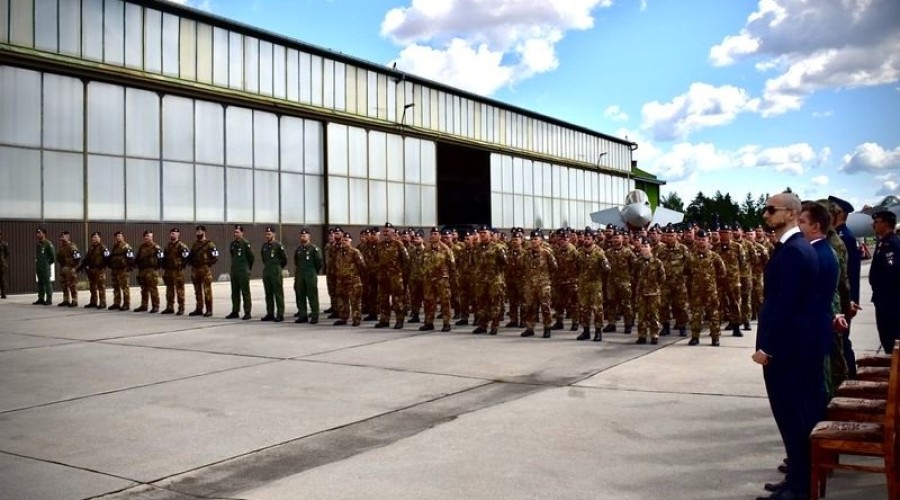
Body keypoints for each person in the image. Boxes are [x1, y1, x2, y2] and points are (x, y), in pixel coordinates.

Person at [753, 192, 821, 500]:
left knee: (793, 418)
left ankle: (799, 488)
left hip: (788, 353)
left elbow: (786, 307)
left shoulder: (794, 251)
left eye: (771, 210)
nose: (765, 215)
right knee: (790, 419)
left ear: (792, 214)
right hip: (791, 350)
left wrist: (767, 347)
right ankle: (795, 478)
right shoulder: (791, 248)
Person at [798, 201, 842, 396]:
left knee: (818, 387)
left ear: (816, 227)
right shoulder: (823, 250)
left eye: (801, 221)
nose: (797, 226)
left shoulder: (815, 255)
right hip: (818, 327)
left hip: (812, 331)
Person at [829, 195, 862, 377]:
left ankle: (850, 377)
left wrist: (851, 300)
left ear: (838, 213)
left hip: (844, 299)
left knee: (843, 342)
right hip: (844, 297)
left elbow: (851, 272)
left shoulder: (844, 237)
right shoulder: (840, 235)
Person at [685, 230, 726, 346]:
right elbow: (686, 273)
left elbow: (722, 272)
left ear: (708, 241)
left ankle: (715, 337)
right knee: (696, 314)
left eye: (703, 240)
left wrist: (713, 283)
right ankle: (695, 337)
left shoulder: (714, 256)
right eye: (698, 239)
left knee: (713, 314)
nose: (701, 242)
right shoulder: (691, 257)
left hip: (710, 291)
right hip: (696, 291)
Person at [869, 210, 900, 353]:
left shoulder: (892, 245)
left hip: (891, 303)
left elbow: (892, 275)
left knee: (892, 339)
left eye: (876, 222)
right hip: (883, 300)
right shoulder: (883, 243)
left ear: (886, 223)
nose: (873, 225)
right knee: (887, 338)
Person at [521, 230, 557, 338]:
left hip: (543, 285)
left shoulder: (547, 253)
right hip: (530, 284)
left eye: (536, 239)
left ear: (541, 240)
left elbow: (554, 267)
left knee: (545, 307)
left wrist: (545, 278)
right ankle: (530, 328)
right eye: (532, 239)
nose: (533, 241)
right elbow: (523, 266)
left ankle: (547, 328)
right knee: (530, 307)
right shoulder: (526, 254)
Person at [576, 230, 609, 342]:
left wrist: (604, 265)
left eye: (589, 238)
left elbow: (607, 268)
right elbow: (576, 267)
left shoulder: (599, 252)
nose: (586, 240)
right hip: (583, 284)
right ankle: (586, 331)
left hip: (595, 284)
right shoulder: (579, 252)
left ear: (593, 240)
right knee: (584, 308)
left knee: (597, 309)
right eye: (585, 238)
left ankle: (598, 331)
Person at [420, 228, 456, 332]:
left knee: (445, 302)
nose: (432, 236)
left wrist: (451, 280)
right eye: (431, 234)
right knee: (429, 302)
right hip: (429, 280)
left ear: (440, 236)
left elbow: (452, 266)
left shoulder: (446, 249)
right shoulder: (426, 249)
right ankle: (429, 322)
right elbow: (422, 263)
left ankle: (446, 323)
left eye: (435, 234)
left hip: (442, 280)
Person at [375, 223, 409, 329]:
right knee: (383, 299)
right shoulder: (379, 245)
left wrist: (400, 274)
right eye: (384, 231)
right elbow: (376, 259)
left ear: (393, 233)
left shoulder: (399, 245)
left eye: (387, 231)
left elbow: (406, 261)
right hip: (383, 277)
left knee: (397, 300)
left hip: (395, 277)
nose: (385, 233)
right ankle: (384, 320)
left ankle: (399, 320)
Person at [634, 238, 666, 345]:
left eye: (646, 247)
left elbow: (662, 278)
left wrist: (655, 287)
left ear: (650, 248)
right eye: (642, 247)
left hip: (653, 293)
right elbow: (633, 276)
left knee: (654, 314)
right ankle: (642, 335)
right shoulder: (637, 262)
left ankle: (654, 335)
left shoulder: (657, 262)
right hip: (641, 293)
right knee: (642, 315)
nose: (644, 249)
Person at [333, 232, 365, 326]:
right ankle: (343, 318)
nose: (344, 242)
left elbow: (362, 266)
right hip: (341, 281)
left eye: (346, 240)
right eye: (343, 240)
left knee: (355, 301)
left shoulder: (355, 252)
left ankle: (356, 319)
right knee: (342, 301)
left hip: (353, 281)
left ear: (350, 241)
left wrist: (358, 278)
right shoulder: (339, 253)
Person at [188, 225, 218, 317]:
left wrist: (208, 263)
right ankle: (199, 308)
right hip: (195, 269)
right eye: (197, 232)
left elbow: (215, 256)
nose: (198, 233)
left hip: (205, 269)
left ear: (204, 232)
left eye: (200, 232)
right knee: (197, 290)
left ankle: (209, 310)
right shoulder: (195, 244)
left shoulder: (210, 244)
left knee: (207, 290)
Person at [293, 229, 323, 324]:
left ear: (309, 237)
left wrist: (314, 272)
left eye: (305, 235)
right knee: (300, 295)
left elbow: (319, 262)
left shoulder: (314, 249)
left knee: (312, 296)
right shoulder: (298, 250)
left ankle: (314, 315)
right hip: (300, 275)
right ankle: (303, 315)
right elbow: (296, 262)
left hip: (310, 275)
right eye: (302, 235)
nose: (303, 237)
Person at [260, 226, 288, 322]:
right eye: (266, 234)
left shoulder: (278, 246)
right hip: (267, 271)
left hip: (276, 272)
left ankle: (280, 314)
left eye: (269, 234)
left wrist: (278, 268)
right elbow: (263, 259)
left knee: (278, 293)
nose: (267, 236)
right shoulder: (264, 246)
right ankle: (270, 313)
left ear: (274, 234)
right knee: (268, 294)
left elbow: (284, 259)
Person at [227, 225, 254, 320]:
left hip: (243, 271)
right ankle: (235, 311)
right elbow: (232, 255)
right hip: (235, 271)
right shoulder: (233, 244)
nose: (236, 234)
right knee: (234, 292)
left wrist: (247, 268)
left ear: (242, 233)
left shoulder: (246, 243)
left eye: (237, 232)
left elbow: (251, 257)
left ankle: (247, 312)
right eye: (235, 232)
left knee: (245, 292)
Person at [76, 232, 109, 309]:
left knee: (101, 287)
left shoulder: (103, 248)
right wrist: (81, 266)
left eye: (96, 237)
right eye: (93, 237)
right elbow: (86, 259)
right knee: (92, 287)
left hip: (99, 270)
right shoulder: (91, 248)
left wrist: (102, 266)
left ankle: (102, 303)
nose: (94, 239)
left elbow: (107, 258)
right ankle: (93, 302)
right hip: (91, 270)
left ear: (100, 238)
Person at [161, 228, 190, 315]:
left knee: (180, 290)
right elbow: (164, 257)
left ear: (178, 235)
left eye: (174, 233)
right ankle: (169, 307)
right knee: (169, 290)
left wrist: (181, 265)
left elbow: (186, 257)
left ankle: (181, 308)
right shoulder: (167, 246)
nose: (172, 235)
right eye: (171, 233)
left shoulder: (182, 246)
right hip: (168, 271)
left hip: (178, 271)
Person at [133, 230, 162, 313]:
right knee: (143, 289)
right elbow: (138, 258)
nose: (146, 237)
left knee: (153, 289)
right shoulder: (142, 247)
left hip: (151, 270)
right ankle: (144, 305)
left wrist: (156, 267)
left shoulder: (156, 247)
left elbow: (161, 259)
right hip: (142, 271)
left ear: (152, 237)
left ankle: (155, 306)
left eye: (148, 236)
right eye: (145, 236)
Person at [107, 231, 134, 311]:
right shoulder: (115, 246)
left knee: (125, 287)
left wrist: (129, 267)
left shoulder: (126, 246)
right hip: (115, 269)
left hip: (123, 270)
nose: (118, 237)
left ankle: (126, 304)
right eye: (117, 236)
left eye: (119, 236)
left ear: (123, 237)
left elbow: (130, 257)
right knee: (116, 287)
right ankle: (117, 303)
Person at [56, 231, 81, 307]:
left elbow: (77, 257)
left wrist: (73, 266)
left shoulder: (72, 246)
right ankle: (66, 300)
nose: (62, 237)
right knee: (64, 285)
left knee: (72, 285)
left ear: (68, 237)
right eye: (61, 236)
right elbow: (58, 257)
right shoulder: (62, 247)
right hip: (63, 268)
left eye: (64, 236)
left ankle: (74, 300)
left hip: (70, 269)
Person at [34, 227, 55, 305]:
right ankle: (41, 298)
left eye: (39, 233)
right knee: (40, 283)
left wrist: (47, 264)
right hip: (39, 266)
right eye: (37, 233)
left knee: (47, 283)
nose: (38, 234)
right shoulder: (38, 244)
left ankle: (49, 299)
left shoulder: (48, 244)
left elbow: (52, 257)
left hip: (45, 267)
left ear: (44, 234)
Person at [0, 231, 8, 298]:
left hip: (1, 264)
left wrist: (3, 259)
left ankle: (3, 294)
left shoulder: (4, 244)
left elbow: (7, 253)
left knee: (2, 279)